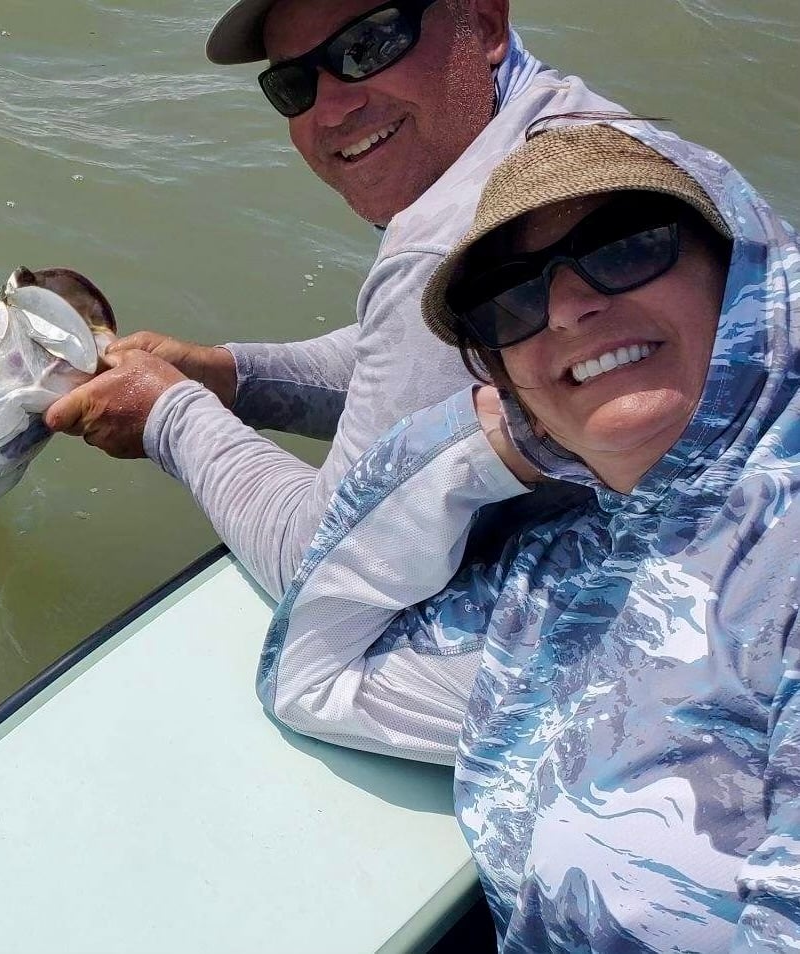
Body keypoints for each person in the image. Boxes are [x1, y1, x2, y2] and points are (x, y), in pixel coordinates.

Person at [255, 120, 800, 949]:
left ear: (743, 269)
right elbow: (311, 673)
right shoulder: (557, 587)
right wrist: (481, 447)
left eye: (624, 246)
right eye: (508, 300)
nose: (568, 308)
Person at [44, 0, 624, 600]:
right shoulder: (574, 124)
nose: (332, 109)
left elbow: (325, 568)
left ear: (483, 23)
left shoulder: (458, 245)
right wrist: (226, 375)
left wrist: (169, 417)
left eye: (368, 46)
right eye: (294, 84)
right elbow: (425, 359)